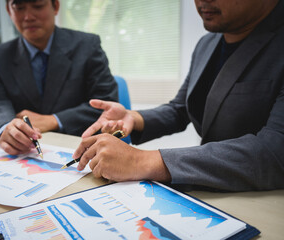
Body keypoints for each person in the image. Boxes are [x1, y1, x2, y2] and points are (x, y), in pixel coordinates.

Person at [73, 0, 284, 191]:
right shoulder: (207, 44)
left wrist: (143, 161)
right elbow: (181, 108)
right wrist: (134, 118)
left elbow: (275, 150)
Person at [0, 0, 118, 155]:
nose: (28, 17)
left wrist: (54, 120)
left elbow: (107, 103)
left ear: (55, 6)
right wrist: (5, 128)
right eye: (19, 7)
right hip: (25, 155)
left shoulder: (87, 46)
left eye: (37, 6)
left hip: (80, 150)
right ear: (9, 11)